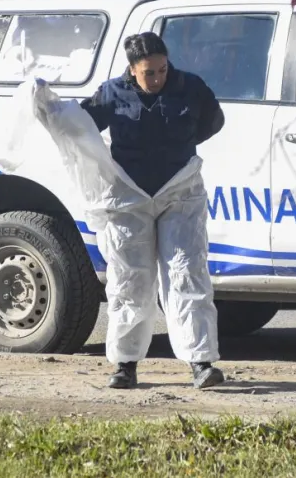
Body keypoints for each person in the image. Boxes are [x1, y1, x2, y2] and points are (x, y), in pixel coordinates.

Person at [76, 32, 227, 389]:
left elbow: (212, 122)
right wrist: (50, 110)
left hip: (180, 189)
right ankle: (125, 365)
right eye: (149, 73)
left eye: (162, 69)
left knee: (187, 271)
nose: (158, 78)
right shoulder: (111, 93)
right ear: (132, 70)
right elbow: (80, 126)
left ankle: (201, 362)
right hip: (129, 195)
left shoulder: (191, 87)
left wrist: (177, 147)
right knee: (130, 278)